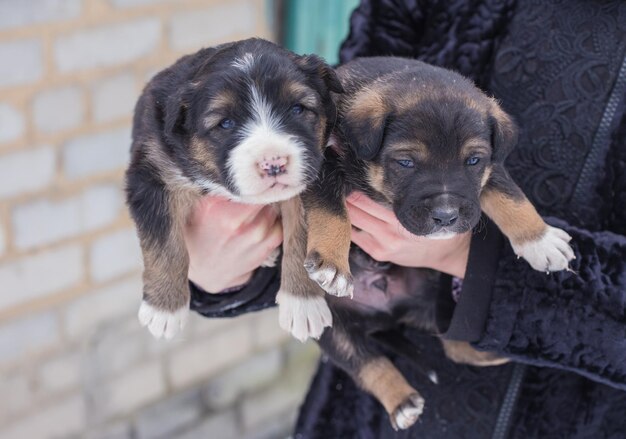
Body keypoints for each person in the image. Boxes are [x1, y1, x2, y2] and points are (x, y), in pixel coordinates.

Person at [185, 0, 626, 437]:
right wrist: (224, 275)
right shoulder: (363, 98)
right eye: (407, 163)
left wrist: (474, 259)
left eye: (476, 162)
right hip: (362, 419)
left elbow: (493, 182)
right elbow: (321, 165)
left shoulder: (488, 141)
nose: (448, 205)